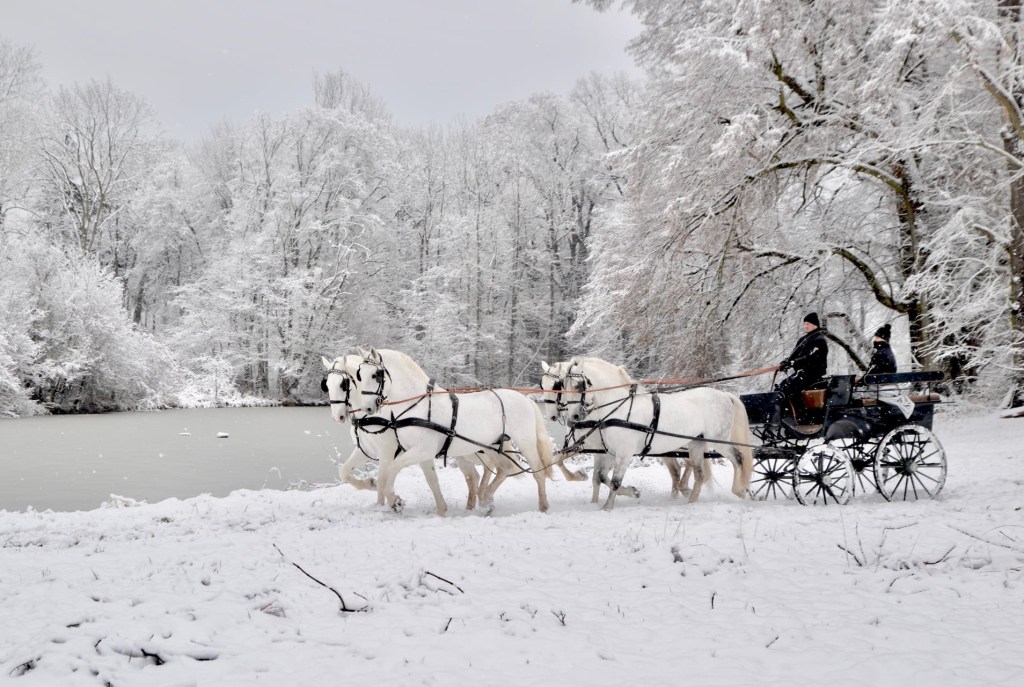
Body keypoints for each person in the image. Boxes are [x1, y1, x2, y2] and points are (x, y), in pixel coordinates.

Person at [776, 312, 829, 406]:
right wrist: (786, 362)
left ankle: (796, 413)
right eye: (804, 324)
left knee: (789, 387)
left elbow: (812, 358)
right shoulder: (803, 339)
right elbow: (794, 355)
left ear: (814, 324)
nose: (805, 326)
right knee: (782, 386)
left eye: (807, 324)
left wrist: (794, 363)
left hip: (812, 375)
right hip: (801, 373)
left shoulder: (819, 340)